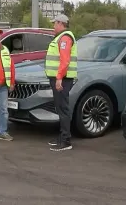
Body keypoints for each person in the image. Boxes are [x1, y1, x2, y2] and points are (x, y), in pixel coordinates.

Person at [45, 14, 78, 151]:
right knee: (60, 108)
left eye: (55, 23)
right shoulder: (61, 37)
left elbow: (65, 61)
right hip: (60, 78)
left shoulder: (65, 38)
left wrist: (59, 78)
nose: (53, 26)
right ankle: (63, 136)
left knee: (63, 109)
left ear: (61, 23)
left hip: (62, 79)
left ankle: (66, 141)